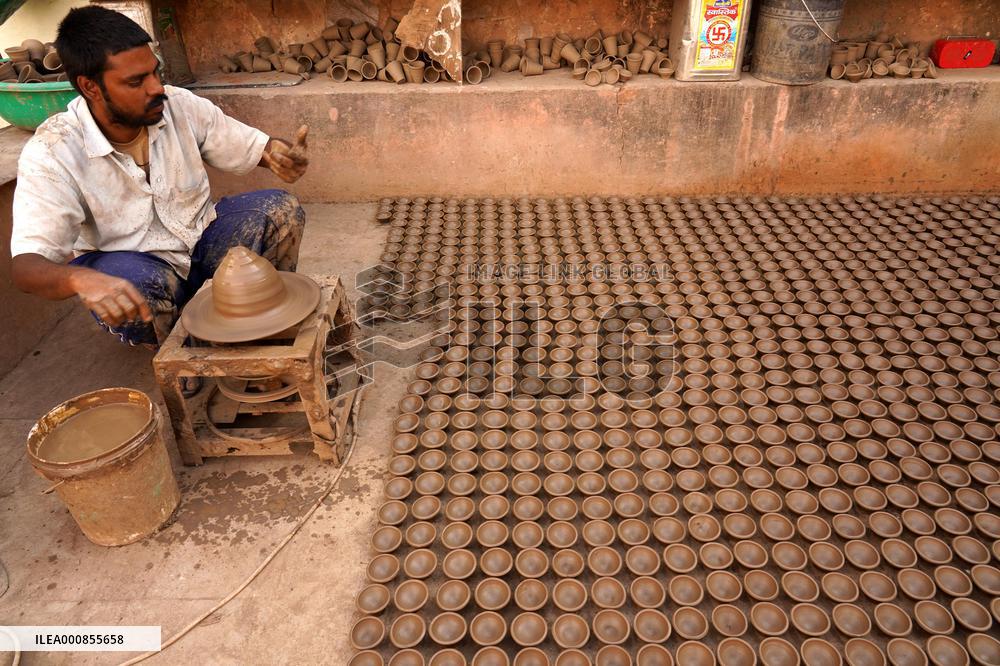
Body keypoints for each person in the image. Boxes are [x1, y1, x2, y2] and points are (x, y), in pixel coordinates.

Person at [9, 6, 311, 351]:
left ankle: (260, 317)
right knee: (135, 282)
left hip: (201, 243)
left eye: (156, 72)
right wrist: (79, 278)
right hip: (140, 270)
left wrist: (279, 153)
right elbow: (27, 267)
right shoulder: (53, 150)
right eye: (136, 82)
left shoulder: (179, 106)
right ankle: (177, 350)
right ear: (90, 87)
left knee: (279, 210)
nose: (157, 88)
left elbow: (253, 146)